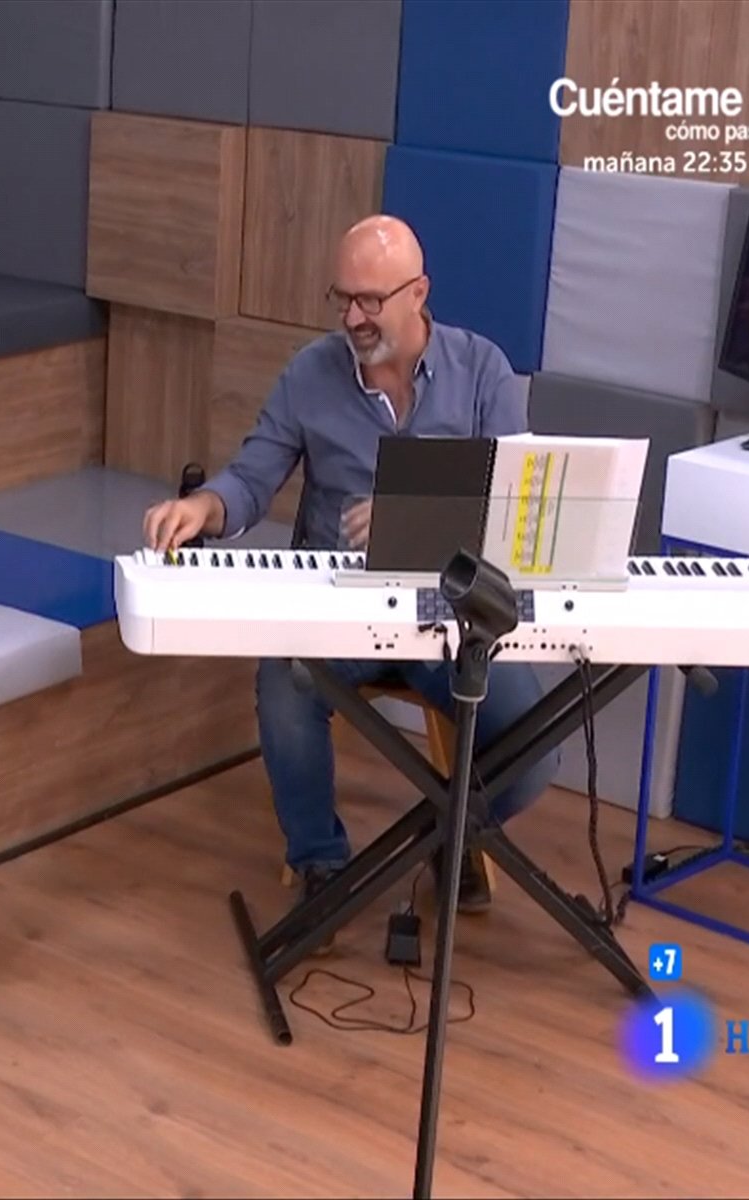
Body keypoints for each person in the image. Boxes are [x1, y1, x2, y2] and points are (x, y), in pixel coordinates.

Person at [142, 215, 561, 921]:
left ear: (418, 293)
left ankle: (450, 836)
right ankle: (323, 867)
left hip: (449, 611)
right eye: (343, 299)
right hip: (335, 606)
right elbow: (251, 478)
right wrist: (204, 506)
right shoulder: (310, 373)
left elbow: (516, 505)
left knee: (536, 745)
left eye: (370, 301)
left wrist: (418, 522)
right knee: (286, 686)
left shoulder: (482, 369)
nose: (352, 318)